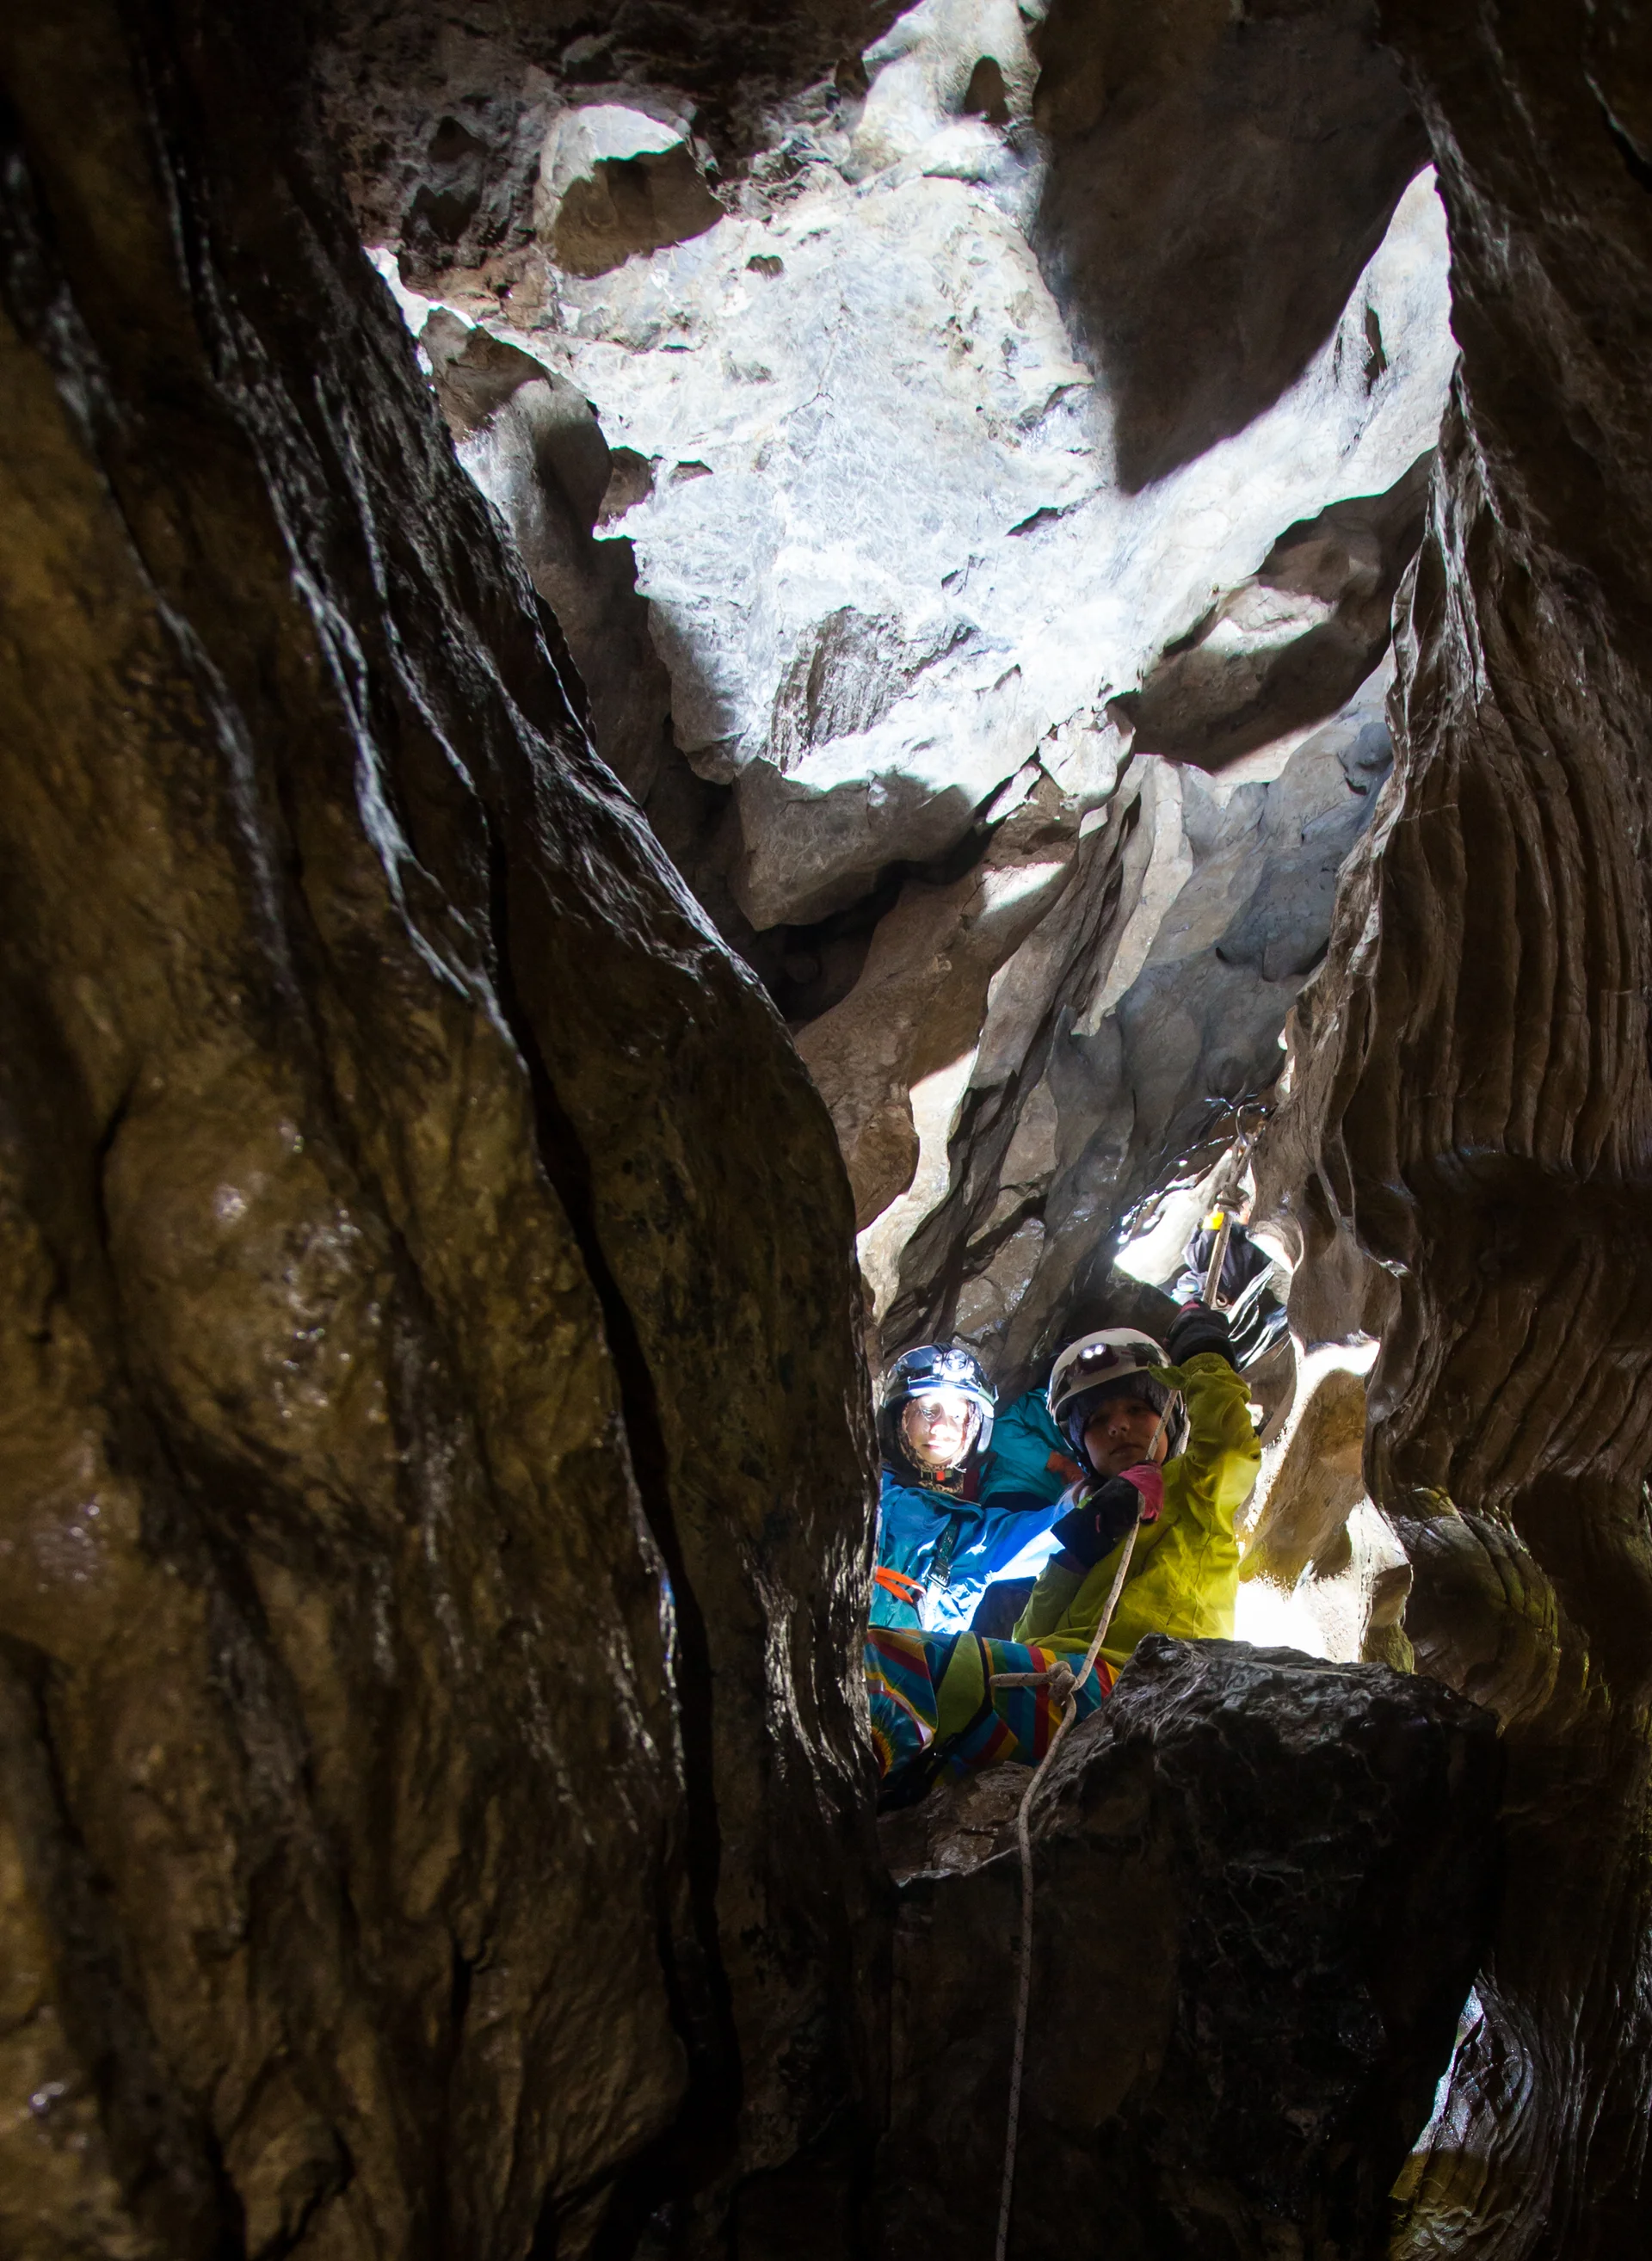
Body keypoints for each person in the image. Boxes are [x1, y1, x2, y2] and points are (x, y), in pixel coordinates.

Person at [1014, 1303, 1261, 1671]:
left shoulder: (1196, 1485)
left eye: (1136, 1409)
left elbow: (1229, 1447)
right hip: (1065, 1679)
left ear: (1170, 1420)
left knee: (917, 1666)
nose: (1118, 1427)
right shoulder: (1088, 1515)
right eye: (1098, 1421)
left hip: (1163, 1678)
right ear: (1083, 1448)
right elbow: (1025, 1638)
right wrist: (1078, 1551)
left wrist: (1203, 1357)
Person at [868, 1346, 1077, 1635]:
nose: (941, 1427)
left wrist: (1102, 1493)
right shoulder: (857, 1489)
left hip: (902, 1675)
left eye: (957, 1417)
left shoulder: (974, 1535)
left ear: (974, 1431)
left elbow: (1052, 1533)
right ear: (898, 1417)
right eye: (928, 1411)